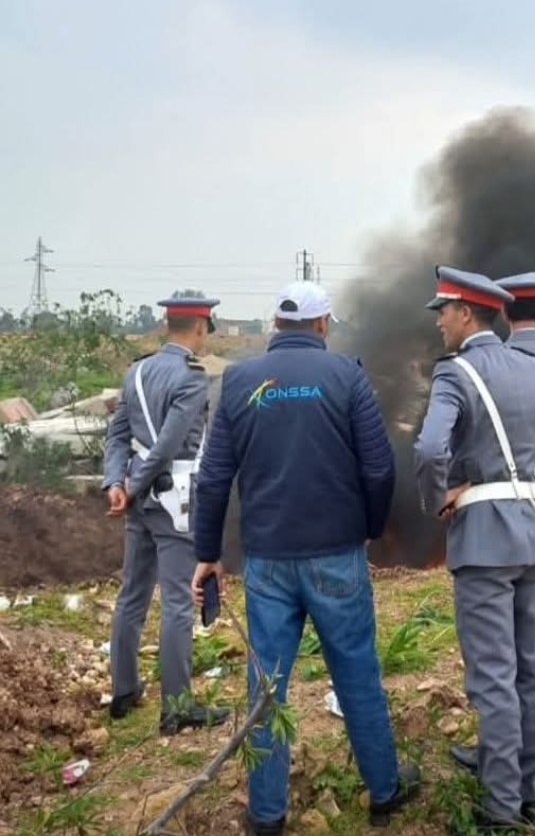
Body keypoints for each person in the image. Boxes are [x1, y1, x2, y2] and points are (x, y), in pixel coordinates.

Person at [191, 281, 420, 836]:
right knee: (357, 673)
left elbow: (214, 475)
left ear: (274, 324)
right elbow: (378, 468)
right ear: (323, 325)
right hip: (336, 556)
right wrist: (366, 529)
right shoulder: (347, 376)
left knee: (267, 686)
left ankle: (266, 814)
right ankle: (385, 790)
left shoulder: (240, 380)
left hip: (267, 561)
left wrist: (207, 555)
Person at [414, 267, 535, 832]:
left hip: (485, 541)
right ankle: (530, 792)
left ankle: (499, 808)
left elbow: (427, 448)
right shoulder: (533, 370)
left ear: (467, 314)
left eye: (443, 310)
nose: (439, 320)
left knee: (493, 675)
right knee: (528, 667)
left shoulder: (455, 373)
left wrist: (437, 500)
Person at [102, 292, 230, 736]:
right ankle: (176, 709)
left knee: (132, 596)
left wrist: (117, 485)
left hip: (138, 500)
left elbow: (116, 437)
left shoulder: (136, 373)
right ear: (199, 327)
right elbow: (169, 445)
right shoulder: (192, 377)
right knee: (177, 602)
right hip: (175, 499)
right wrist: (132, 486)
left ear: (165, 325)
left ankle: (124, 691)